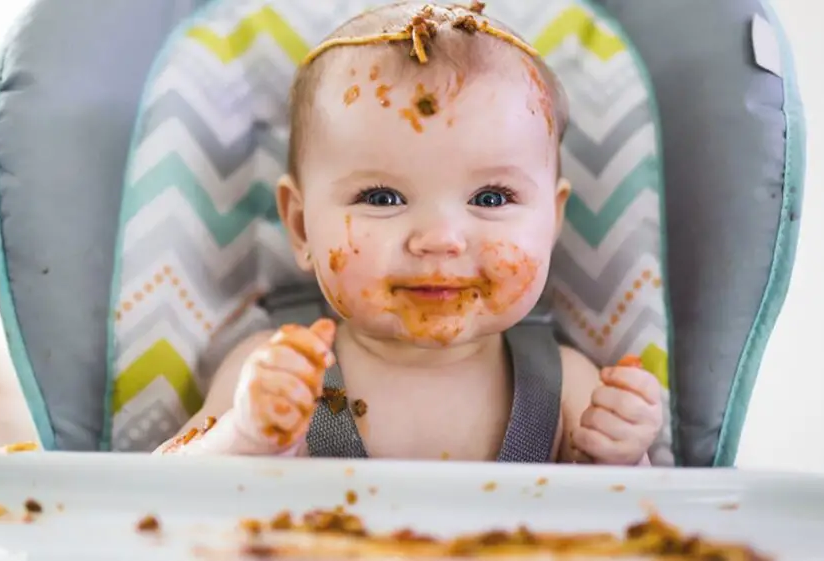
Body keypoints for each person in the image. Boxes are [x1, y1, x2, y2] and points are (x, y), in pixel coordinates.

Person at [155, 1, 663, 465]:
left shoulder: (568, 387)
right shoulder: (276, 376)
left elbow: (637, 523)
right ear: (299, 225)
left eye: (490, 198)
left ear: (552, 221)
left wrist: (620, 458)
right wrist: (244, 438)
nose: (440, 239)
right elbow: (156, 494)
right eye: (382, 198)